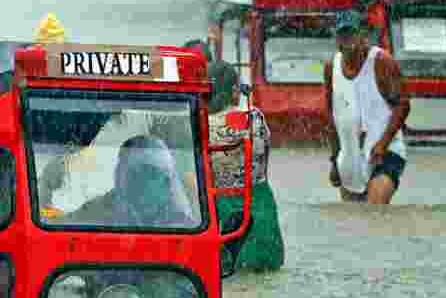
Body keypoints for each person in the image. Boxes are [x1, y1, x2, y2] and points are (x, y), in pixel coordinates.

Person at [324, 9, 410, 204]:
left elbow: (403, 105)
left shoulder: (381, 61)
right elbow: (331, 116)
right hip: (350, 157)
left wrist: (383, 143)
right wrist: (334, 161)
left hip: (385, 153)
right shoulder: (331, 67)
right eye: (342, 35)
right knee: (354, 222)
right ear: (336, 38)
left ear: (363, 35)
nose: (347, 41)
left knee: (375, 211)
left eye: (351, 34)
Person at [207, 60, 285, 271]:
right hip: (258, 209)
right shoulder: (253, 118)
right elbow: (263, 164)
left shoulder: (198, 123)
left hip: (220, 216)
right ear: (234, 91)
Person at [59, 135, 196, 228]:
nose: (137, 179)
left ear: (166, 181)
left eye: (146, 171)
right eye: (129, 170)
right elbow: (61, 227)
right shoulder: (100, 208)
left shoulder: (183, 225)